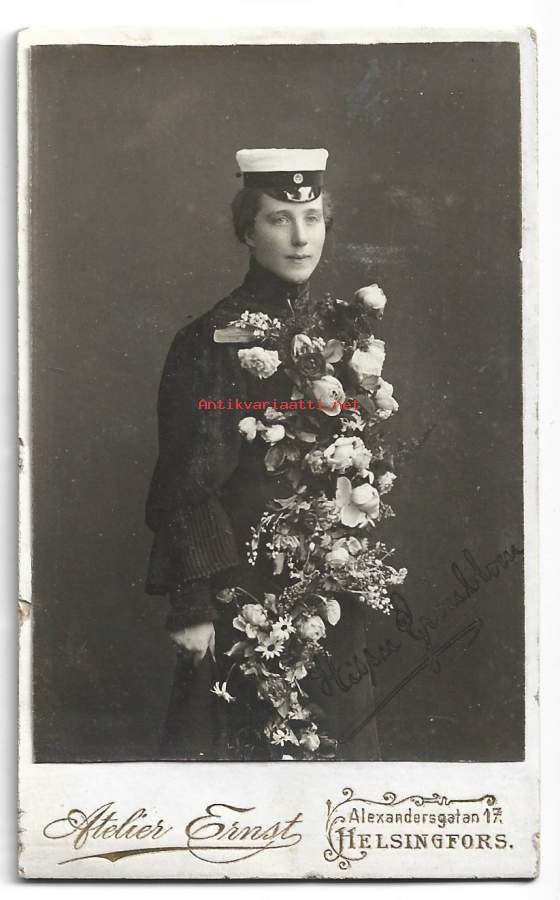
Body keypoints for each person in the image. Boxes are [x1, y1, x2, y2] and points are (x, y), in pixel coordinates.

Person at [145, 148, 381, 761]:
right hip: (242, 590)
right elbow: (188, 477)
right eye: (280, 219)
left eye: (312, 217)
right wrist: (193, 605)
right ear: (248, 231)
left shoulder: (340, 333)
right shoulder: (213, 340)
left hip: (327, 587)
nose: (301, 238)